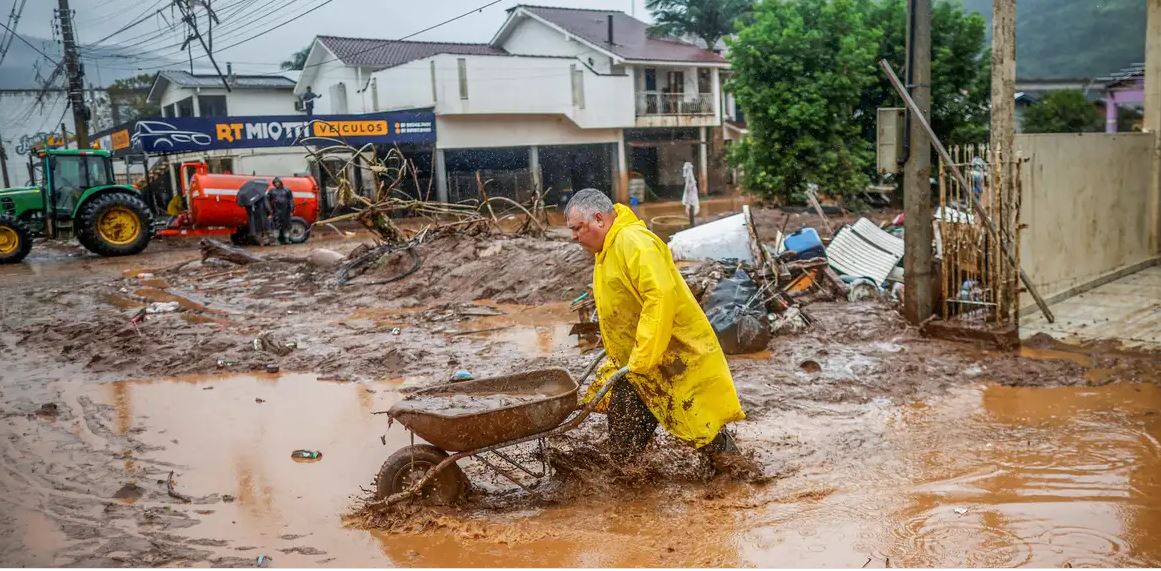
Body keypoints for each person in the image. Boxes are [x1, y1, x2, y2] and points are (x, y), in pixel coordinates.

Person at [564, 188, 745, 463]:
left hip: (670, 357)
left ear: (599, 219)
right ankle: (630, 487)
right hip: (637, 365)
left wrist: (643, 357)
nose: (574, 236)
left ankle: (739, 476)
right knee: (624, 450)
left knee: (700, 426)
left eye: (577, 228)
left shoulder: (634, 243)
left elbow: (659, 298)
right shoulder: (607, 249)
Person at [267, 177, 295, 245]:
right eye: (275, 182)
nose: (277, 183)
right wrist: (269, 211)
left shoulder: (287, 190)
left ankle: (286, 239)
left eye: (278, 182)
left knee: (286, 226)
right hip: (276, 211)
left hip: (286, 211)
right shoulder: (271, 191)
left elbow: (291, 200)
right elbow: (268, 201)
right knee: (276, 226)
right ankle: (276, 240)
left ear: (280, 182)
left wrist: (291, 210)